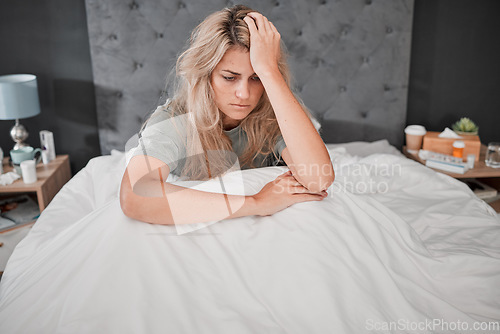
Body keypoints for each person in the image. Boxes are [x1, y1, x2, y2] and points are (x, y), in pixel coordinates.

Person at [120, 5, 335, 225]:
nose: (244, 94)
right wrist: (256, 203)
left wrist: (269, 71)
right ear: (207, 75)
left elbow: (319, 179)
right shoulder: (175, 122)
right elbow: (134, 196)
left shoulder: (275, 112)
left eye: (256, 78)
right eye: (230, 78)